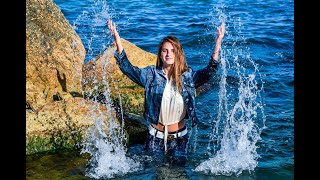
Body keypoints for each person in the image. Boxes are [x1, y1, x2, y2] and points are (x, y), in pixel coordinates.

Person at [107, 19, 225, 164]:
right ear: (160, 54)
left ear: (178, 54)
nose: (169, 54)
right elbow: (128, 69)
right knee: (155, 171)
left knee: (178, 173)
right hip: (154, 137)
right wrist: (117, 39)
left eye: (172, 51)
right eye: (165, 50)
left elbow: (209, 72)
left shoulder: (187, 76)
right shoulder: (151, 74)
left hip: (179, 138)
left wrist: (217, 43)